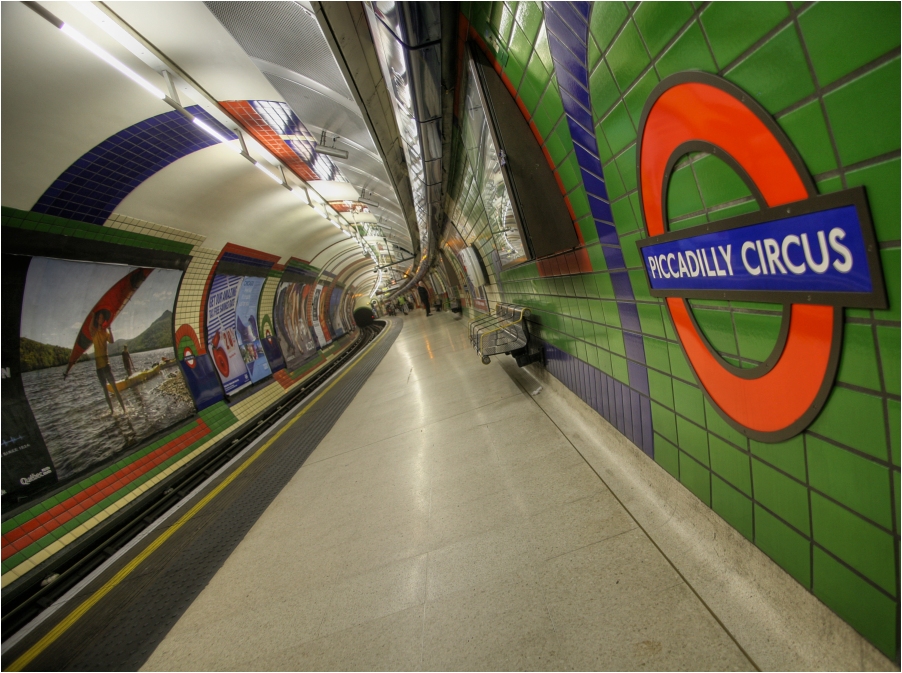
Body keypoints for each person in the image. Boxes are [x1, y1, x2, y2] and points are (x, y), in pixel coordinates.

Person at [90, 309, 126, 414]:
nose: (100, 319)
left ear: (103, 320)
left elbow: (112, 341)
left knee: (114, 387)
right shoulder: (94, 332)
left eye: (101, 318)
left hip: (106, 365)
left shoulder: (105, 332)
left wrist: (110, 329)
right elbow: (90, 328)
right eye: (98, 318)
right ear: (97, 320)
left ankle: (124, 409)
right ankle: (112, 412)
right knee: (105, 391)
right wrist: (93, 316)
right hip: (98, 368)